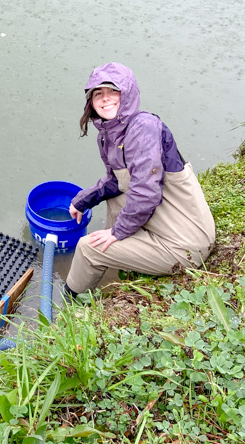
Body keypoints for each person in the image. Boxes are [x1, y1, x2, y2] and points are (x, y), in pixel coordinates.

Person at [65, 63, 215, 294]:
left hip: (185, 244)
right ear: (91, 102)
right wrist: (81, 201)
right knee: (116, 198)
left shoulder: (143, 127)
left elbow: (145, 193)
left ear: (128, 94)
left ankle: (72, 302)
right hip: (171, 224)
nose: (105, 99)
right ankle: (113, 268)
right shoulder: (110, 134)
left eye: (113, 91)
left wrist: (116, 232)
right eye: (98, 94)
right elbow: (116, 181)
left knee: (88, 248)